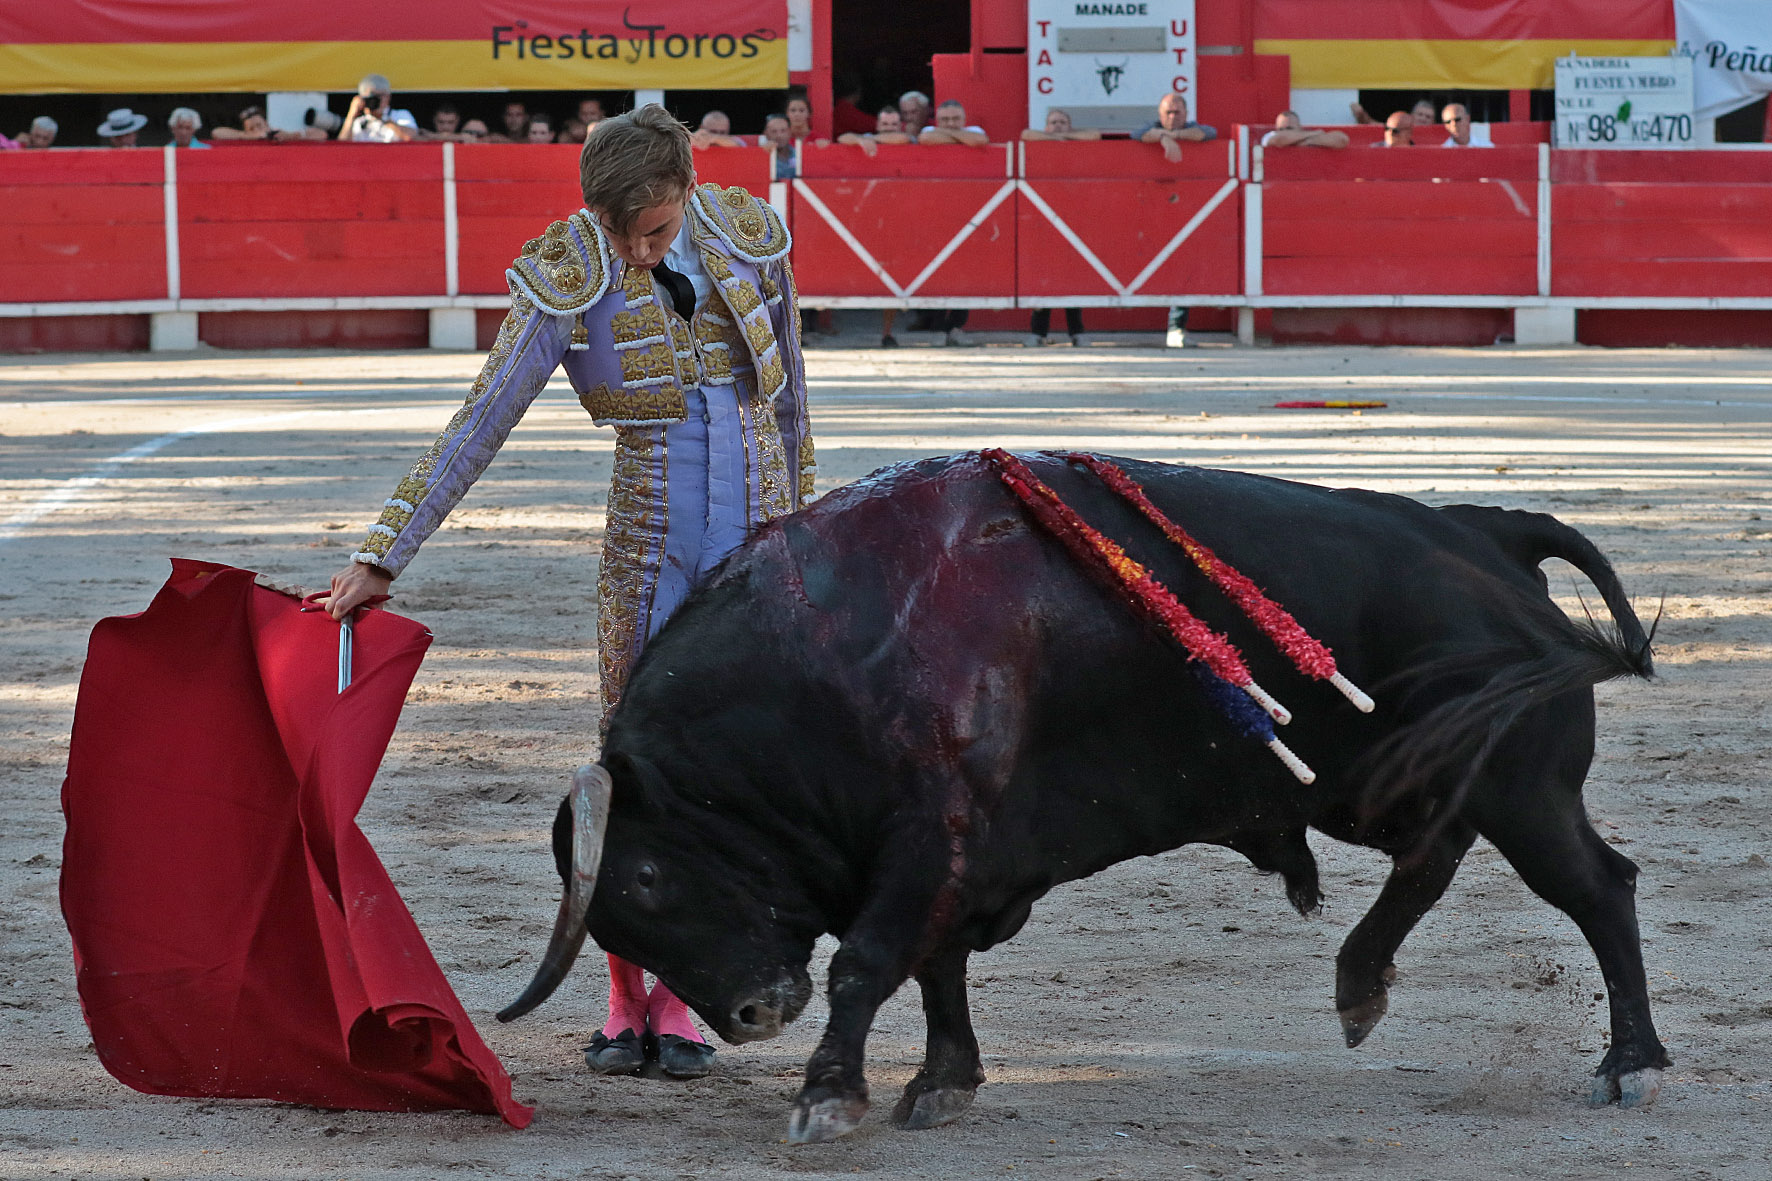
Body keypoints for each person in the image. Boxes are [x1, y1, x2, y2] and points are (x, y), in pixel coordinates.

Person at [320, 105, 814, 1082]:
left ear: (687, 187)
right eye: (623, 230)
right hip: (651, 543)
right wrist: (385, 553)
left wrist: (810, 543)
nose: (638, 248)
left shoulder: (750, 239)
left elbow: (792, 397)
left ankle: (678, 994)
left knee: (735, 772)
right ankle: (623, 993)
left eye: (658, 230)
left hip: (758, 545)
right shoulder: (573, 267)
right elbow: (483, 414)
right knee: (632, 768)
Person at [1137, 94, 1216, 163]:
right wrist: (1163, 138)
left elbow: (1211, 132)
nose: (1172, 117)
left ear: (1186, 114)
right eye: (1168, 112)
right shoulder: (1154, 125)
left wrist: (1175, 135)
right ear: (1160, 115)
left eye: (1177, 112)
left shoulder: (1191, 126)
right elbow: (1137, 134)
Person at [341, 75, 417, 142]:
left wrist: (383, 118)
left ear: (388, 97)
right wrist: (351, 115)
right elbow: (341, 147)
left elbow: (411, 138)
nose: (373, 101)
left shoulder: (400, 115)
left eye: (377, 97)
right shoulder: (358, 122)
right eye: (369, 98)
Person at [837, 105, 912, 157]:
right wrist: (858, 140)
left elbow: (903, 138)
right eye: (885, 124)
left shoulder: (909, 138)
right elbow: (842, 138)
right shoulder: (868, 137)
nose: (889, 128)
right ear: (878, 126)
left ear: (900, 126)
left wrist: (869, 139)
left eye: (894, 124)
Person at [1259, 110, 1348, 150]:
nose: (1285, 131)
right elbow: (1280, 139)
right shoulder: (1268, 137)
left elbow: (1342, 140)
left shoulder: (1307, 137)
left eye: (1290, 128)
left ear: (1299, 128)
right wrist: (1313, 134)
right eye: (1281, 129)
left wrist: (1309, 141)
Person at [1020, 108, 1100, 141]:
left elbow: (1095, 134)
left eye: (1063, 122)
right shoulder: (1040, 136)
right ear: (1046, 128)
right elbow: (1026, 134)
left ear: (1070, 127)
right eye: (1053, 122)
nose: (1058, 125)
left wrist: (1066, 135)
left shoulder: (1075, 136)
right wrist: (1056, 137)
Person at [761, 113, 795, 178]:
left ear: (790, 132)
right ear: (766, 134)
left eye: (783, 131)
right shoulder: (760, 159)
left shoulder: (799, 155)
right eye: (774, 131)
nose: (779, 136)